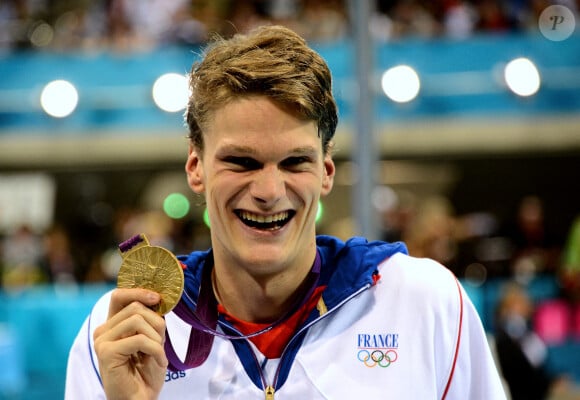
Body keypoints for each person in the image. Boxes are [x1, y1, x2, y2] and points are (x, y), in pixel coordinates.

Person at [65, 25, 506, 399]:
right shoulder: (123, 330)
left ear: (326, 172)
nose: (269, 191)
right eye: (242, 162)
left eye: (295, 162)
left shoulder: (424, 303)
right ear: (195, 168)